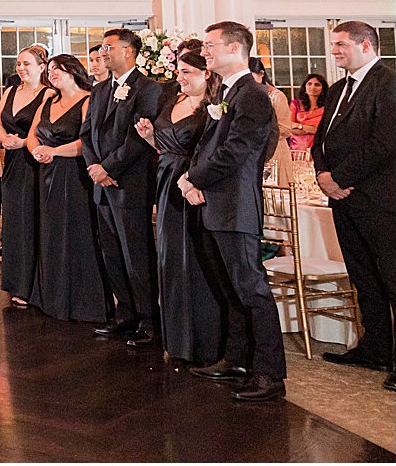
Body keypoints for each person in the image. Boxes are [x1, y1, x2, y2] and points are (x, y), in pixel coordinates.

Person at [184, 21, 286, 402]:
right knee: (229, 288)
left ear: (234, 48)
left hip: (236, 202)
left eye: (210, 46)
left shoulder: (253, 95)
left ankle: (270, 373)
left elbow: (236, 151)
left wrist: (193, 178)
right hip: (216, 202)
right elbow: (210, 144)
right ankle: (237, 359)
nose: (205, 52)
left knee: (252, 289)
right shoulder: (226, 92)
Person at [313, 20, 395, 391]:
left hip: (379, 199)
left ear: (365, 45)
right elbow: (320, 140)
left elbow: (385, 143)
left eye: (340, 44)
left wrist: (339, 178)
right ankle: (376, 348)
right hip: (343, 199)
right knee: (363, 277)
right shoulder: (337, 90)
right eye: (333, 45)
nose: (334, 52)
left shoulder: (388, 82)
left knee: (392, 279)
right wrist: (322, 173)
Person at [135, 42, 224, 368]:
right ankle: (177, 341)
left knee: (197, 263)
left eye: (187, 72)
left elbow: (212, 150)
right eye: (178, 72)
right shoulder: (175, 99)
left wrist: (195, 180)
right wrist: (149, 139)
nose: (180, 78)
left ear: (206, 73)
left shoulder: (214, 107)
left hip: (194, 186)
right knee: (170, 261)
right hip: (165, 182)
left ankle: (204, 342)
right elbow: (165, 144)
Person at [82, 28, 163, 346]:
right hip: (102, 184)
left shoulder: (148, 89)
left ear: (128, 51)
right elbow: (87, 131)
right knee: (112, 252)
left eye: (108, 47)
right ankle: (126, 312)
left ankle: (148, 318)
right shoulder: (100, 90)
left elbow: (139, 139)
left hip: (129, 183)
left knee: (136, 253)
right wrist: (95, 169)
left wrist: (109, 168)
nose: (103, 53)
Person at [27, 55, 108, 324]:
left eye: (57, 69)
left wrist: (54, 151)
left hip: (75, 174)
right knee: (50, 233)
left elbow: (88, 142)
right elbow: (33, 134)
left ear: (72, 70)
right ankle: (51, 297)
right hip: (47, 173)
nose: (52, 74)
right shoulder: (48, 102)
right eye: (49, 70)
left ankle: (82, 302)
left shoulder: (88, 100)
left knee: (76, 232)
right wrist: (37, 151)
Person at [0, 45, 48, 307]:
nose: (21, 68)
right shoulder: (11, 91)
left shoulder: (48, 93)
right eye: (18, 64)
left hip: (34, 160)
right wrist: (4, 139)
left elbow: (41, 126)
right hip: (12, 160)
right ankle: (16, 281)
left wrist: (24, 141)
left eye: (27, 64)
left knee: (32, 220)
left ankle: (33, 285)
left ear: (41, 67)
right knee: (14, 221)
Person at [290, 73, 328, 142]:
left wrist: (299, 126)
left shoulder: (327, 107)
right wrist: (310, 129)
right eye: (309, 84)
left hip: (318, 144)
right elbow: (289, 126)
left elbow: (324, 130)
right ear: (305, 88)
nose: (313, 87)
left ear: (323, 90)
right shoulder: (295, 104)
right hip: (297, 147)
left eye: (317, 85)